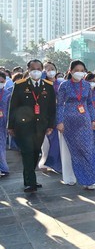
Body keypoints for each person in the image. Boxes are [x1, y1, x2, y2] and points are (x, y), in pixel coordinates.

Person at [7, 59, 56, 192]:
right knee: (27, 152)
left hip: (41, 126)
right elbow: (13, 107)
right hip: (23, 126)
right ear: (28, 70)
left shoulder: (48, 86)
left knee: (35, 152)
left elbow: (52, 108)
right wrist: (10, 126)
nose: (36, 71)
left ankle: (29, 178)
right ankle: (31, 182)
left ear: (42, 70)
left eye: (39, 68)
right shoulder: (20, 85)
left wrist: (51, 125)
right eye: (33, 68)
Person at [57, 60, 95, 189]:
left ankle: (89, 180)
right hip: (68, 121)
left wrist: (93, 120)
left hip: (84, 120)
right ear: (70, 71)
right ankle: (70, 177)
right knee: (70, 151)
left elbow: (90, 103)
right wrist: (59, 121)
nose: (79, 73)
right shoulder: (64, 85)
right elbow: (59, 105)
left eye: (82, 70)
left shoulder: (86, 85)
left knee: (88, 149)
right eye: (76, 70)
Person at [37, 61, 63, 174]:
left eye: (52, 68)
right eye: (47, 69)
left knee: (58, 141)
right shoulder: (42, 85)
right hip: (46, 116)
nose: (50, 71)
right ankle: (46, 162)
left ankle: (55, 163)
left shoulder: (61, 84)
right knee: (48, 141)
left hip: (59, 114)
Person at [0, 71, 12, 176]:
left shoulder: (8, 94)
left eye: (2, 81)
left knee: (1, 145)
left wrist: (10, 124)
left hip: (3, 122)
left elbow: (10, 110)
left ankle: (3, 168)